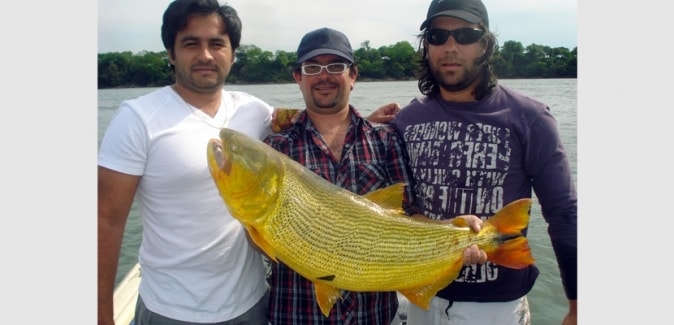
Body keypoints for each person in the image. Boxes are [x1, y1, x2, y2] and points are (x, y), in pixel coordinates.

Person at [389, 0, 578, 324]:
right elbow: (395, 204)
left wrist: (578, 306)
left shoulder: (529, 118)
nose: (450, 47)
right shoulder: (405, 120)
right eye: (437, 36)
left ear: (486, 44)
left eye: (465, 35)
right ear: (426, 46)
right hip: (420, 295)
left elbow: (564, 214)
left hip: (494, 307)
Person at [97, 0, 273, 324]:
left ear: (232, 54)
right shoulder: (137, 119)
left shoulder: (256, 112)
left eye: (216, 43)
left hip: (252, 304)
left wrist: (367, 123)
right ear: (171, 53)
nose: (205, 55)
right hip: (170, 310)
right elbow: (105, 222)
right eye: (191, 43)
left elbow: (311, 132)